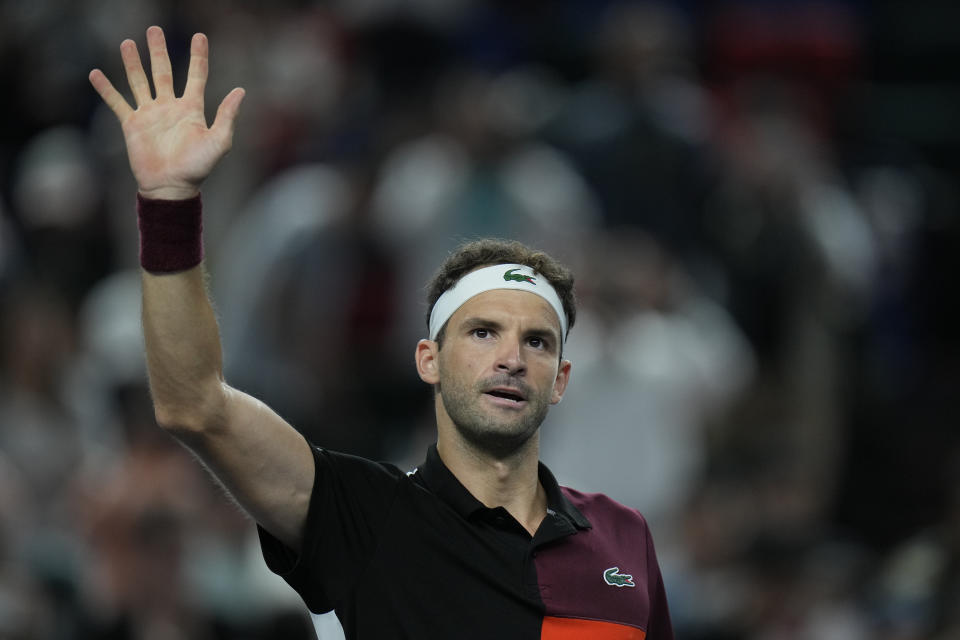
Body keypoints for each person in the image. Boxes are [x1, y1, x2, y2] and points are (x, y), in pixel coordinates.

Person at [89, 26, 674, 639]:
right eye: (481, 333)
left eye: (537, 341)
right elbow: (194, 404)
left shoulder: (625, 537)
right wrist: (169, 204)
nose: (511, 358)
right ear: (428, 360)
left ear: (560, 380)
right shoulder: (362, 514)